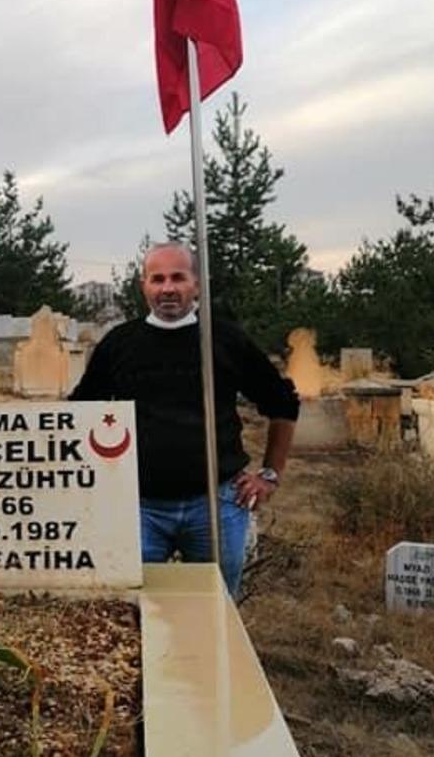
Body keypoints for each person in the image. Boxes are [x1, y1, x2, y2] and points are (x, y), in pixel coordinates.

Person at [71, 242, 299, 598]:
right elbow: (79, 414)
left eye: (178, 278)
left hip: (217, 504)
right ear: (143, 285)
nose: (167, 288)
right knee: (134, 610)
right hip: (139, 507)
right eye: (157, 279)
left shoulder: (224, 340)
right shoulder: (119, 344)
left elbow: (282, 404)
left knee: (216, 610)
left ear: (197, 284)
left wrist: (270, 475)